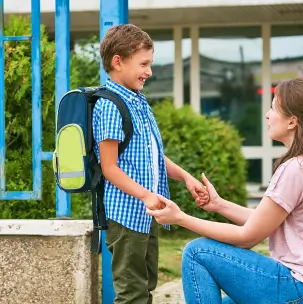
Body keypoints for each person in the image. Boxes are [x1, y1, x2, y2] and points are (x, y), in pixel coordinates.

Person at [147, 78, 303, 303]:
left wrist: (180, 218)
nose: (267, 114)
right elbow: (263, 222)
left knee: (197, 253)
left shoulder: (297, 168)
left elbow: (247, 237)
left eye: (273, 108)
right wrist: (218, 204)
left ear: (292, 121)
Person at [93, 24, 209, 304]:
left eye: (150, 64)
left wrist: (186, 177)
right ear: (117, 62)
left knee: (146, 286)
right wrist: (145, 194)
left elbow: (153, 154)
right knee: (132, 293)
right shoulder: (110, 105)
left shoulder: (138, 102)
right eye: (143, 64)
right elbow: (109, 168)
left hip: (147, 212)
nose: (149, 71)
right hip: (126, 215)